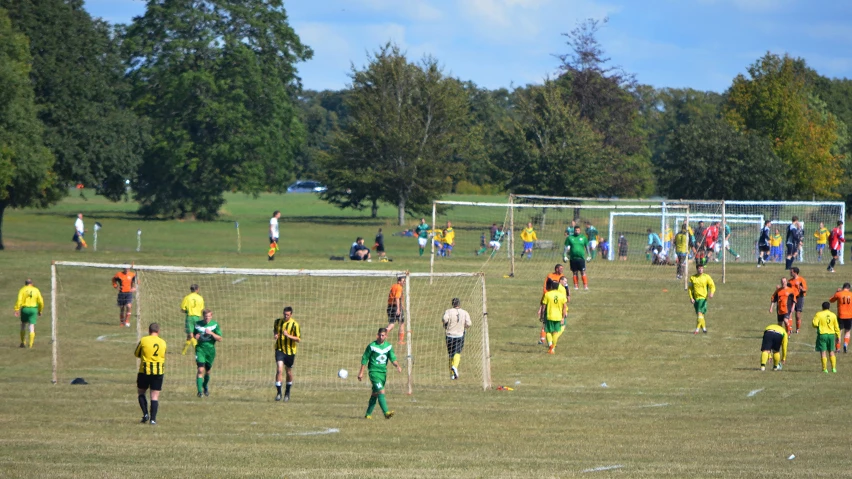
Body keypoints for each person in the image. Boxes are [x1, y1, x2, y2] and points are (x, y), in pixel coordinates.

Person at [357, 328, 402, 419]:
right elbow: (365, 359)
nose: (381, 337)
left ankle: (368, 414)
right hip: (374, 372)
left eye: (383, 335)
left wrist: (397, 365)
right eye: (380, 335)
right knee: (381, 391)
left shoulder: (388, 346)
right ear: (377, 335)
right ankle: (386, 413)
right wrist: (361, 373)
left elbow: (393, 359)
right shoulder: (372, 346)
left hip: (383, 373)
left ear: (386, 336)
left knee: (375, 393)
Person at [134, 323, 166, 425]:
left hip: (145, 371)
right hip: (158, 372)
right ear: (158, 331)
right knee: (154, 396)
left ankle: (145, 414)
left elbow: (136, 353)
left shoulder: (144, 340)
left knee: (141, 392)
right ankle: (153, 419)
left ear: (149, 331)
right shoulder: (163, 342)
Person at [273, 306, 301, 401]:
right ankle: (279, 393)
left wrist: (288, 335)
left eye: (287, 315)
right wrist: (275, 334)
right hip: (279, 349)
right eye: (284, 314)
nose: (285, 316)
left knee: (288, 372)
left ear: (291, 315)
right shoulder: (277, 322)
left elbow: (298, 339)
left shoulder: (294, 324)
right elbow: (275, 330)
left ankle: (287, 392)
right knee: (279, 370)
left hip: (290, 352)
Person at [194, 309, 222, 397]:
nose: (207, 318)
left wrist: (211, 333)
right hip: (200, 350)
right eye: (206, 317)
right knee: (200, 369)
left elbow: (220, 339)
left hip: (210, 351)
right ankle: (199, 392)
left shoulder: (214, 325)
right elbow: (194, 335)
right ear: (203, 316)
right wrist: (196, 336)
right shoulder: (198, 325)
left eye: (209, 317)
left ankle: (205, 386)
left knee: (208, 371)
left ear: (211, 316)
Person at [442, 298, 471, 379]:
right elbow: (469, 323)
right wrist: (464, 326)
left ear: (452, 304)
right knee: (457, 352)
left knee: (450, 354)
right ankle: (455, 367)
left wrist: (445, 323)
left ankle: (452, 375)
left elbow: (445, 319)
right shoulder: (464, 312)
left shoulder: (448, 311)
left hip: (449, 335)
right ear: (459, 304)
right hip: (459, 335)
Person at [538, 277, 568, 354]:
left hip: (549, 316)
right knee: (555, 332)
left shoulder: (548, 294)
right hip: (558, 317)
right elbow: (564, 307)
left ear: (551, 286)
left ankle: (550, 345)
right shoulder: (562, 296)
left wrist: (541, 315)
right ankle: (553, 348)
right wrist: (563, 317)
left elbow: (544, 306)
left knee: (547, 331)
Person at [14, 279, 43, 348]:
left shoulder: (22, 290)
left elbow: (19, 300)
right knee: (31, 325)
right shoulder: (36, 290)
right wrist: (40, 310)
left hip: (25, 309)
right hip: (33, 309)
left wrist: (17, 309)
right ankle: (30, 344)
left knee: (23, 325)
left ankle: (23, 342)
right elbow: (40, 301)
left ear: (25, 284)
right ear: (32, 283)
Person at [688, 259, 715, 334]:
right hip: (695, 299)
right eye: (699, 268)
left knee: (699, 313)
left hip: (703, 299)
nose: (700, 270)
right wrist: (691, 297)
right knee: (700, 315)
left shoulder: (706, 277)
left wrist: (712, 293)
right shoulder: (692, 278)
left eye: (702, 268)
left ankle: (696, 330)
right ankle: (704, 329)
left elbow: (712, 286)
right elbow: (690, 289)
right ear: (697, 269)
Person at [540, 264, 565, 344]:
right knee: (547, 324)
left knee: (550, 327)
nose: (561, 270)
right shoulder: (550, 276)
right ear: (556, 269)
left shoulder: (562, 277)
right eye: (560, 268)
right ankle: (543, 339)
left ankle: (550, 343)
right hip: (551, 301)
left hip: (556, 302)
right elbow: (545, 287)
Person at [813, 302, 840, 373]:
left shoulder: (819, 314)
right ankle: (834, 368)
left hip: (822, 334)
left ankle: (825, 369)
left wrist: (818, 325)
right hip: (831, 335)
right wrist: (838, 336)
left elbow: (814, 324)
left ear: (822, 307)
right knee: (831, 351)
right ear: (829, 307)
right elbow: (837, 327)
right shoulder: (833, 315)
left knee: (823, 352)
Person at [180, 284, 204, 355]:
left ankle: (197, 350)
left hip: (190, 317)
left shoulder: (187, 297)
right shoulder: (200, 298)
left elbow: (182, 309)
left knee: (191, 335)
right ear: (197, 289)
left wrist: (187, 311)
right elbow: (201, 308)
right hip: (197, 317)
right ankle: (183, 352)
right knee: (190, 335)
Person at [564, 225, 589, 290]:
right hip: (573, 258)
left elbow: (587, 246)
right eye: (576, 230)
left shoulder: (583, 237)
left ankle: (585, 286)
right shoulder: (570, 238)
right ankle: (576, 285)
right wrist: (564, 255)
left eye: (578, 230)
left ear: (580, 230)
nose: (577, 231)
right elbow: (566, 247)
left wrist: (589, 255)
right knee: (574, 272)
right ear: (574, 230)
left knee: (583, 271)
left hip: (581, 258)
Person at [830, 283, 852, 353]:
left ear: (843, 287)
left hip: (841, 315)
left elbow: (831, 300)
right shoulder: (851, 294)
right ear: (849, 288)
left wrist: (836, 292)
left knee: (839, 332)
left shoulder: (839, 294)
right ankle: (845, 344)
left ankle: (838, 348)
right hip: (849, 315)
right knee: (847, 331)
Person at [386, 276, 406, 345]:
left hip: (389, 306)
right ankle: (400, 341)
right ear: (399, 281)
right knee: (402, 323)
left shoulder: (393, 286)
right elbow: (397, 297)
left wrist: (402, 304)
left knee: (391, 324)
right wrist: (398, 308)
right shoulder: (399, 287)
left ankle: (382, 333)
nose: (404, 282)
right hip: (396, 307)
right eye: (403, 281)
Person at [788, 267, 808, 333]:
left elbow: (805, 289)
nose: (790, 273)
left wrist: (802, 289)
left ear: (795, 272)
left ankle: (797, 328)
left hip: (799, 297)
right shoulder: (790, 281)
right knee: (790, 312)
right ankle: (789, 328)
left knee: (798, 314)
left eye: (791, 272)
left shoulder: (801, 280)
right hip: (791, 298)